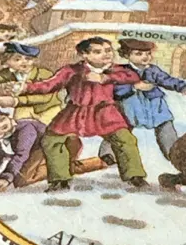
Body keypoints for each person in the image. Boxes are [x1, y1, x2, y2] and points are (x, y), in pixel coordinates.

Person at [21, 37, 147, 191]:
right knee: (51, 140)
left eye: (108, 50)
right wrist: (26, 88)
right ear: (84, 55)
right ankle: (60, 179)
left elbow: (132, 76)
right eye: (98, 52)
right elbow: (50, 84)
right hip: (76, 112)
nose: (106, 54)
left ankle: (135, 176)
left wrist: (104, 77)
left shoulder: (115, 70)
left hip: (104, 112)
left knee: (125, 139)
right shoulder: (72, 70)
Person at [98, 39, 186, 163]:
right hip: (130, 104)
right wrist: (134, 87)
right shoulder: (119, 71)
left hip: (154, 103)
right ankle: (108, 154)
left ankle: (173, 153)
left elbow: (167, 80)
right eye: (139, 54)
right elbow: (112, 89)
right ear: (126, 55)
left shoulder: (153, 70)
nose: (145, 57)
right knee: (120, 127)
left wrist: (185, 86)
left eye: (148, 53)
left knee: (165, 124)